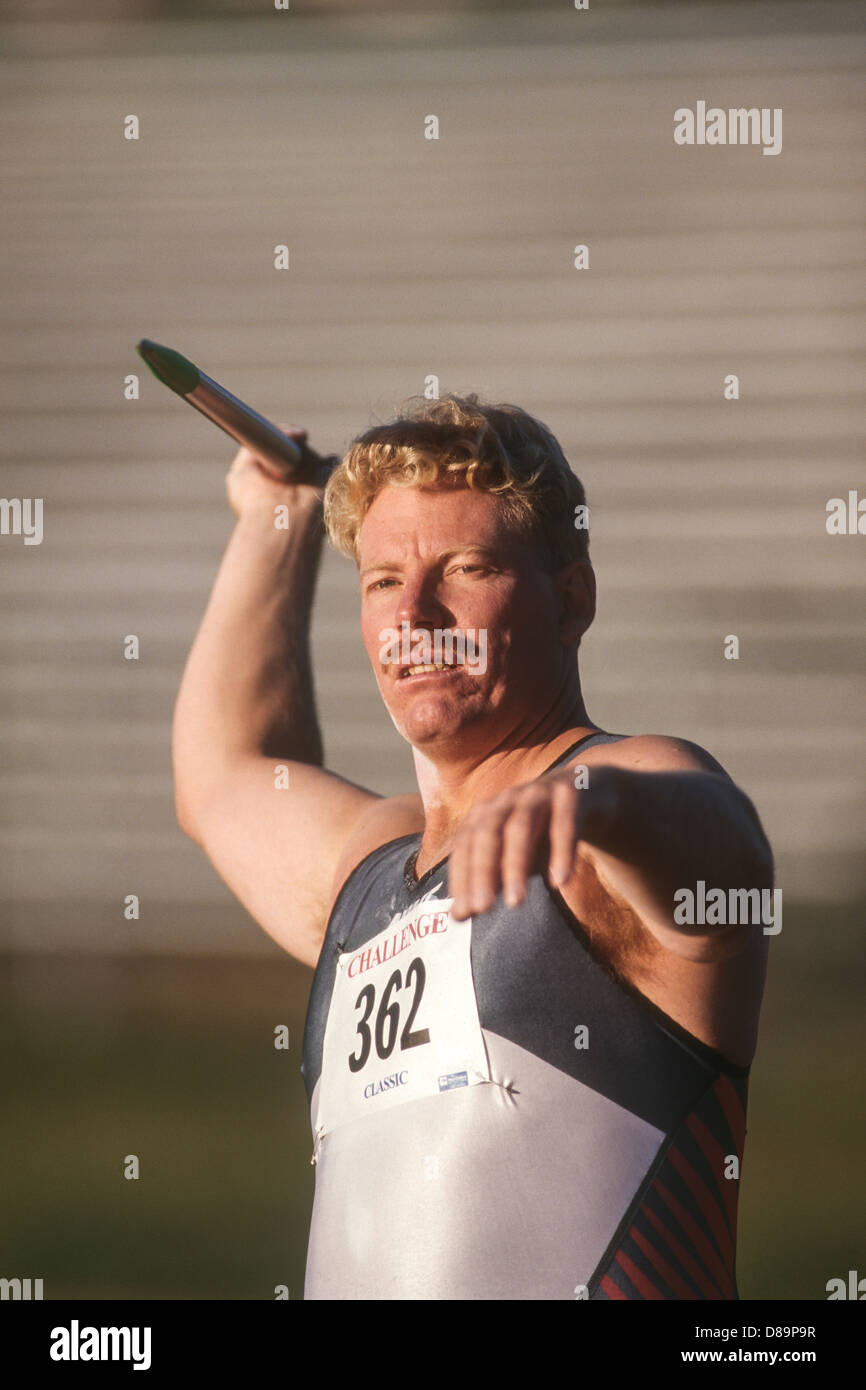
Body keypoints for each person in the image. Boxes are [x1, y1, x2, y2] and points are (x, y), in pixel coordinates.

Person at [173, 394, 773, 1300]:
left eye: (464, 568)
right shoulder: (371, 874)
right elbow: (224, 774)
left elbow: (729, 868)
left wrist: (590, 802)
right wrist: (275, 518)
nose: (414, 613)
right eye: (382, 582)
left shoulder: (623, 795)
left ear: (571, 601)